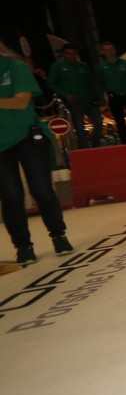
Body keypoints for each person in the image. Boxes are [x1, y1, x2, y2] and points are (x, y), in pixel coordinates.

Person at [1, 41, 73, 266]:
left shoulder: (15, 67)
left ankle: (58, 235)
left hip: (27, 136)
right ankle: (23, 246)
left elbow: (21, 101)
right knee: (11, 197)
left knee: (41, 190)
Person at [48, 43, 101, 149]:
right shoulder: (57, 66)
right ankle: (85, 149)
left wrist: (97, 96)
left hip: (89, 99)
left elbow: (91, 82)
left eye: (74, 53)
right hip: (74, 102)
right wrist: (65, 95)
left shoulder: (83, 65)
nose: (72, 55)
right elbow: (51, 83)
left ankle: (95, 146)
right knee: (80, 127)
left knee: (99, 123)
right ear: (64, 54)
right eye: (68, 53)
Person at [97, 40, 126, 144]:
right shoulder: (101, 67)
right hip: (114, 97)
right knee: (119, 122)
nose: (110, 52)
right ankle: (125, 144)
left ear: (115, 50)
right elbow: (101, 83)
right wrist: (104, 97)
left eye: (111, 49)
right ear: (102, 52)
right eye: (106, 50)